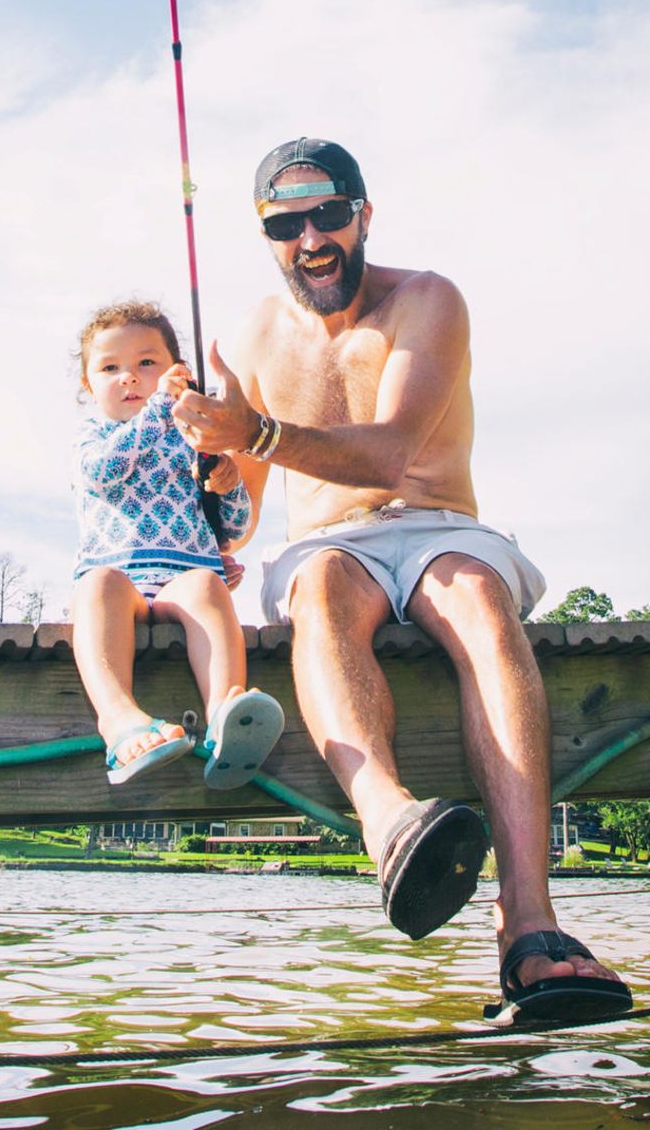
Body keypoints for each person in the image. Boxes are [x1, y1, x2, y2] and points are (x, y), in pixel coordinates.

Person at [172, 137, 630, 1022]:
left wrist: (253, 433)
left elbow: (392, 449)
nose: (309, 237)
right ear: (264, 235)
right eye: (284, 223)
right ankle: (390, 823)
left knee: (478, 596)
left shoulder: (429, 300)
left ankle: (530, 928)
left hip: (439, 525)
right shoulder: (256, 334)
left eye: (328, 215)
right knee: (323, 592)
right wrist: (214, 473)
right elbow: (250, 505)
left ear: (363, 216)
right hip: (328, 547)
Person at [71, 300, 283, 787]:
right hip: (120, 579)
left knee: (208, 587)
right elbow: (103, 475)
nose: (129, 377)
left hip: (180, 578)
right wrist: (157, 410)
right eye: (110, 368)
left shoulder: (196, 436)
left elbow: (230, 527)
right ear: (89, 385)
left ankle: (227, 714)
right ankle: (119, 720)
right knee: (96, 587)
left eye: (146, 364)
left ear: (176, 372)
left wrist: (227, 483)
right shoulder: (93, 435)